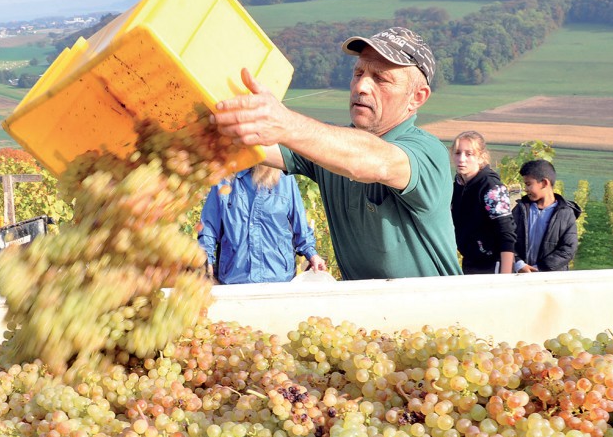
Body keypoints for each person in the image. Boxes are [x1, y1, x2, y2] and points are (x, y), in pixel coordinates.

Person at [212, 26, 460, 280]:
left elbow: (374, 161)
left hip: (436, 310)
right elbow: (255, 144)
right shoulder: (329, 149)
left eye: (381, 78)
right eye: (358, 72)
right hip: (364, 313)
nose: (361, 86)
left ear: (417, 98)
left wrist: (286, 124)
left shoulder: (427, 153)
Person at [197, 163, 326, 284]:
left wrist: (312, 255)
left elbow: (301, 227)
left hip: (279, 279)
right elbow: (209, 228)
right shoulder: (225, 180)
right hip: (235, 279)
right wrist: (205, 262)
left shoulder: (285, 179)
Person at [450, 131, 516, 274]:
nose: (462, 159)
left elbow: (506, 232)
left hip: (493, 265)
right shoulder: (457, 186)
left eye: (469, 154)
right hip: (470, 262)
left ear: (481, 157)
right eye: (457, 153)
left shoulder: (491, 187)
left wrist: (505, 277)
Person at [512, 159, 581, 273]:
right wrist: (519, 264)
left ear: (544, 183)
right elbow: (508, 239)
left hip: (551, 279)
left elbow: (568, 248)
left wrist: (539, 268)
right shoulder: (520, 209)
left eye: (528, 184)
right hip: (520, 277)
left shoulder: (565, 213)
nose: (525, 189)